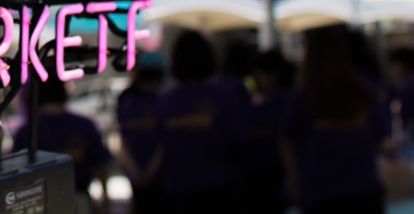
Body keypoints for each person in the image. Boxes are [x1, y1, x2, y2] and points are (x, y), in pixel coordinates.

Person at [281, 28, 391, 213]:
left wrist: (294, 178)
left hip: (319, 194)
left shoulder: (302, 99)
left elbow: (286, 141)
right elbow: (383, 141)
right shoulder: (363, 92)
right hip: (364, 189)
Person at [153, 30, 248, 213]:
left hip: (178, 191)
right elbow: (240, 140)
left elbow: (159, 144)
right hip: (220, 190)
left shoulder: (165, 102)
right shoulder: (222, 97)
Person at [13, 75, 112, 214]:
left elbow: (16, 177)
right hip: (78, 200)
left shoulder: (26, 132)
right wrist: (105, 199)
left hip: (39, 203)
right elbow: (100, 166)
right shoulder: (85, 125)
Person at [246, 49, 295, 214]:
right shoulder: (295, 97)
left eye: (259, 76)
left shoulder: (274, 101)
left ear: (273, 74)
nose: (258, 81)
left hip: (270, 172)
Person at [116, 51, 165, 214]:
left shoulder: (126, 100)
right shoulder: (162, 100)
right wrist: (151, 171)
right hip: (159, 177)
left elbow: (123, 139)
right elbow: (164, 142)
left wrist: (135, 170)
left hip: (136, 175)